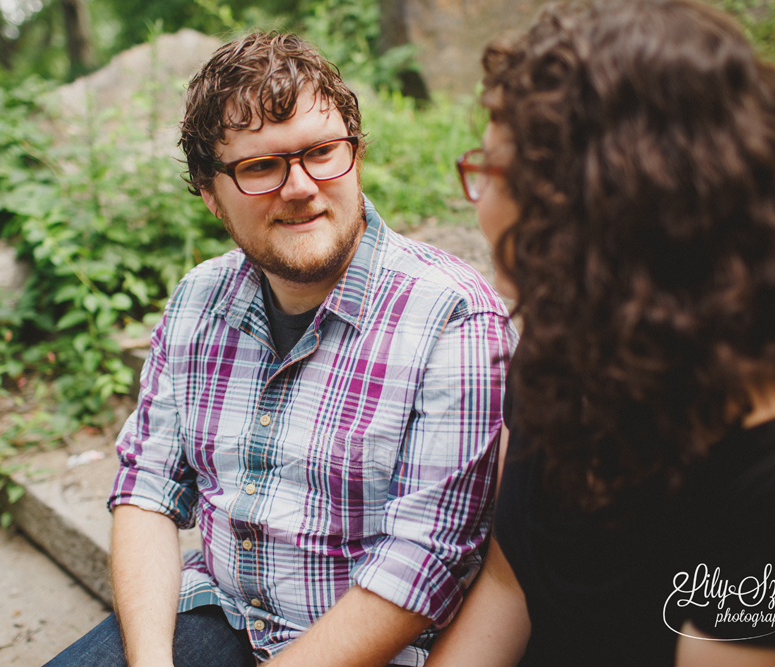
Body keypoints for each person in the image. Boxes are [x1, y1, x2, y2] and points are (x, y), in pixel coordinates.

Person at [46, 32, 515, 667]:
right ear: (211, 195)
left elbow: (424, 565)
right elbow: (147, 489)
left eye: (322, 152)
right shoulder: (198, 299)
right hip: (221, 611)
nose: (300, 186)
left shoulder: (453, 318)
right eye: (261, 166)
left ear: (356, 156)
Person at [425, 1, 775, 665]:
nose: (483, 207)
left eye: (492, 171)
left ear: (595, 204)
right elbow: (509, 585)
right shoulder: (570, 346)